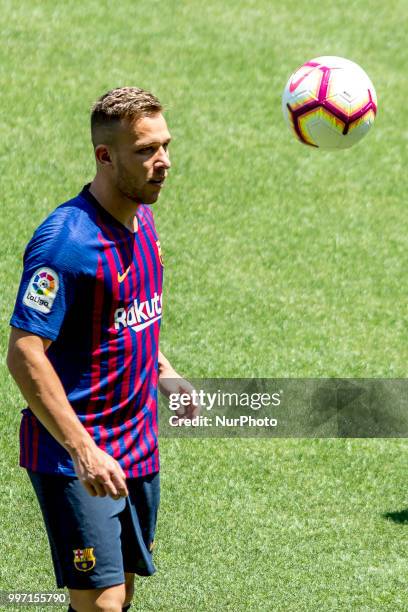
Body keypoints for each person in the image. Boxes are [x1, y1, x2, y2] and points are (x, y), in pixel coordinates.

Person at [7, 87, 197, 612]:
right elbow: (24, 352)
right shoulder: (65, 243)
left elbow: (126, 322)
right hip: (78, 455)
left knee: (125, 586)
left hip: (138, 446)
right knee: (102, 601)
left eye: (164, 146)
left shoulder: (141, 218)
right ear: (105, 155)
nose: (163, 162)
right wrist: (83, 449)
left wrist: (165, 372)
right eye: (145, 151)